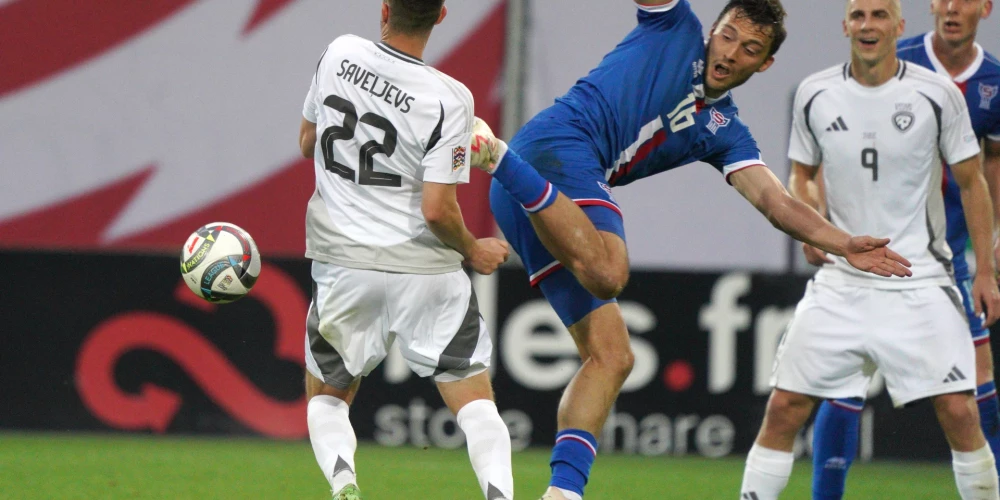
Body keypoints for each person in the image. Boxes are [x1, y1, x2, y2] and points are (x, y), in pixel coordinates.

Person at [467, 0, 911, 498]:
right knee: (610, 271)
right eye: (727, 35)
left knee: (612, 356)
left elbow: (774, 200)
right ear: (711, 31)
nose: (730, 52)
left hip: (528, 194)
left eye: (749, 48)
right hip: (559, 148)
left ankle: (562, 493)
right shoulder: (674, 26)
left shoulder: (725, 131)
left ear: (764, 63)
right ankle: (497, 154)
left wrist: (843, 240)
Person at [739, 0, 1000, 498]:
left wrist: (984, 270)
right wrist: (813, 228)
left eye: (880, 15)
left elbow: (973, 183)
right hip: (843, 281)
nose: (868, 25)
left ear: (899, 27)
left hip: (918, 278)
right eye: (858, 15)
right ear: (845, 26)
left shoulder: (938, 94)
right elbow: (802, 175)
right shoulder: (815, 94)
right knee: (784, 407)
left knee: (961, 411)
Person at [297, 1, 513, 499]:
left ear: (385, 9)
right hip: (426, 270)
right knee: (476, 405)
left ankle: (345, 485)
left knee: (327, 400)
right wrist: (473, 249)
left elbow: (308, 141)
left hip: (345, 263)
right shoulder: (451, 99)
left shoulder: (338, 53)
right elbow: (437, 209)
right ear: (440, 16)